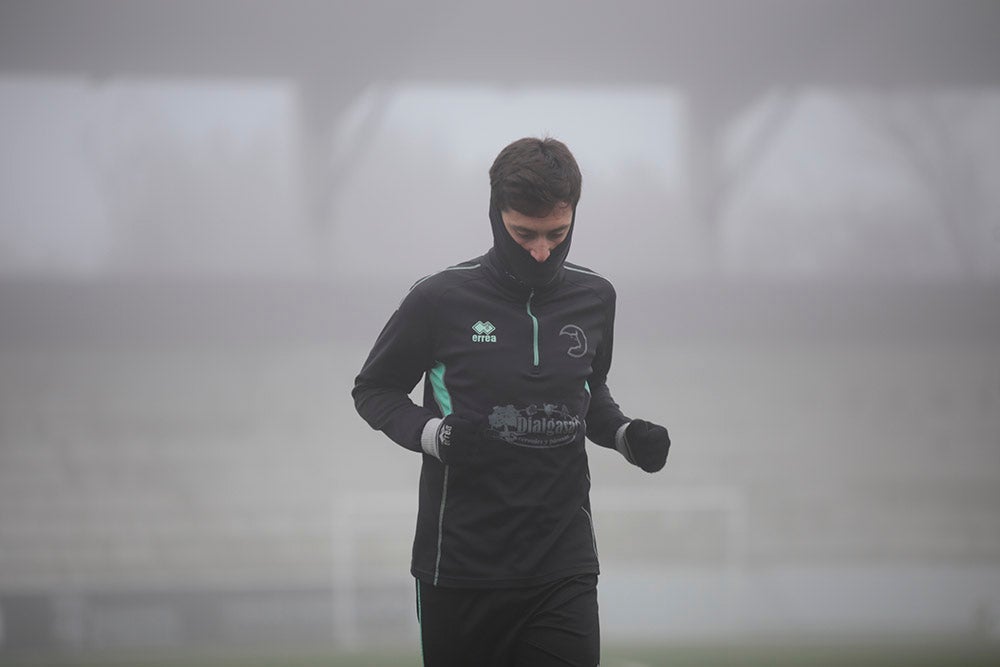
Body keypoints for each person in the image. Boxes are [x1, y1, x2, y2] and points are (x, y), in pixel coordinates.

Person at [352, 137, 670, 666]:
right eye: (524, 234)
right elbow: (374, 390)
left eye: (557, 234)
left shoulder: (596, 297)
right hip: (459, 567)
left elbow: (587, 396)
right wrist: (436, 435)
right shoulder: (439, 299)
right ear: (496, 216)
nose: (541, 251)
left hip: (561, 563)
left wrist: (625, 435)